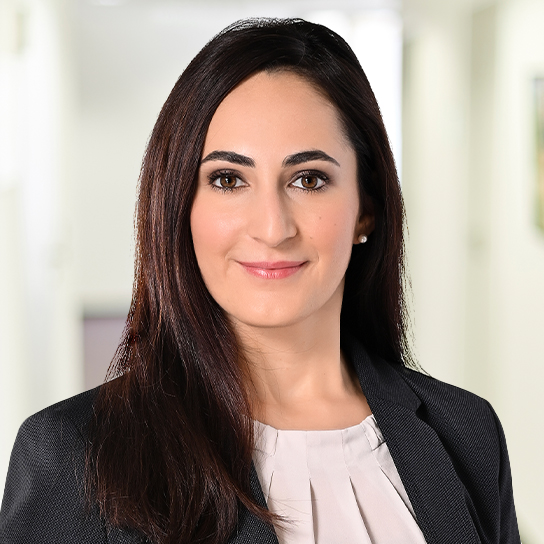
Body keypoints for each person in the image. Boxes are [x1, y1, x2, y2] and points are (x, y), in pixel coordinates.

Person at [0, 18, 520, 544]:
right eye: (228, 180)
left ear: (366, 208)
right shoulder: (73, 455)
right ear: (180, 207)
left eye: (309, 179)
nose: (273, 228)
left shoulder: (467, 433)